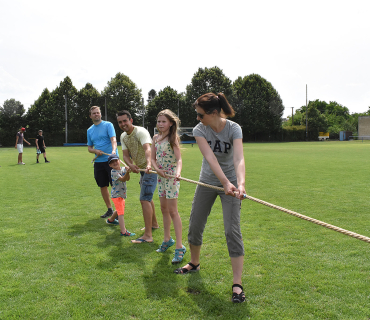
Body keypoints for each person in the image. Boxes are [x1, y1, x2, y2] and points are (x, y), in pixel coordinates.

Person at [174, 92, 246, 304]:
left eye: (200, 114)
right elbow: (210, 157)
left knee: (231, 230)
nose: (197, 118)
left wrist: (239, 184)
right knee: (195, 224)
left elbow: (239, 157)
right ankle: (194, 263)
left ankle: (237, 283)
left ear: (214, 112)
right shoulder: (200, 130)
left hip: (231, 185)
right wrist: (223, 182)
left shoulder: (234, 128)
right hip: (208, 181)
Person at [116, 110, 159, 244]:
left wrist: (148, 165)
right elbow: (125, 155)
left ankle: (148, 236)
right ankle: (154, 224)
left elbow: (148, 149)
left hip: (150, 169)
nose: (123, 124)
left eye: (125, 121)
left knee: (144, 199)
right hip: (142, 169)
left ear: (131, 120)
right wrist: (130, 164)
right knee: (148, 197)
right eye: (120, 122)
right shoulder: (123, 136)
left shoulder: (140, 132)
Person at [151, 109, 186, 264]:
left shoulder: (173, 139)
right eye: (159, 121)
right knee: (164, 209)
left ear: (171, 123)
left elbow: (179, 160)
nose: (160, 124)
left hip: (171, 176)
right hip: (160, 176)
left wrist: (177, 173)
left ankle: (179, 247)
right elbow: (152, 158)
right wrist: (157, 169)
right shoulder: (155, 138)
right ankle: (167, 240)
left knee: (173, 211)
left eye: (164, 121)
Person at [87, 106, 117, 219]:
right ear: (90, 116)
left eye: (98, 113)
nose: (96, 115)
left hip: (111, 160)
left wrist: (113, 151)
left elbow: (113, 139)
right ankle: (110, 209)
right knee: (102, 186)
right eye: (94, 113)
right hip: (98, 162)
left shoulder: (108, 125)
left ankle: (118, 212)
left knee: (115, 186)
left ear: (101, 114)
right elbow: (89, 148)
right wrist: (95, 151)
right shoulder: (89, 130)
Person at [105, 154, 136, 237]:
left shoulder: (122, 169)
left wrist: (127, 171)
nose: (115, 163)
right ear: (110, 165)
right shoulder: (113, 172)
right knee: (121, 213)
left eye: (116, 160)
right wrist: (127, 172)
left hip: (121, 194)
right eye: (112, 162)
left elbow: (127, 179)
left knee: (119, 209)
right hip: (116, 195)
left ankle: (111, 220)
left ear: (119, 161)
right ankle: (123, 231)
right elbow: (122, 179)